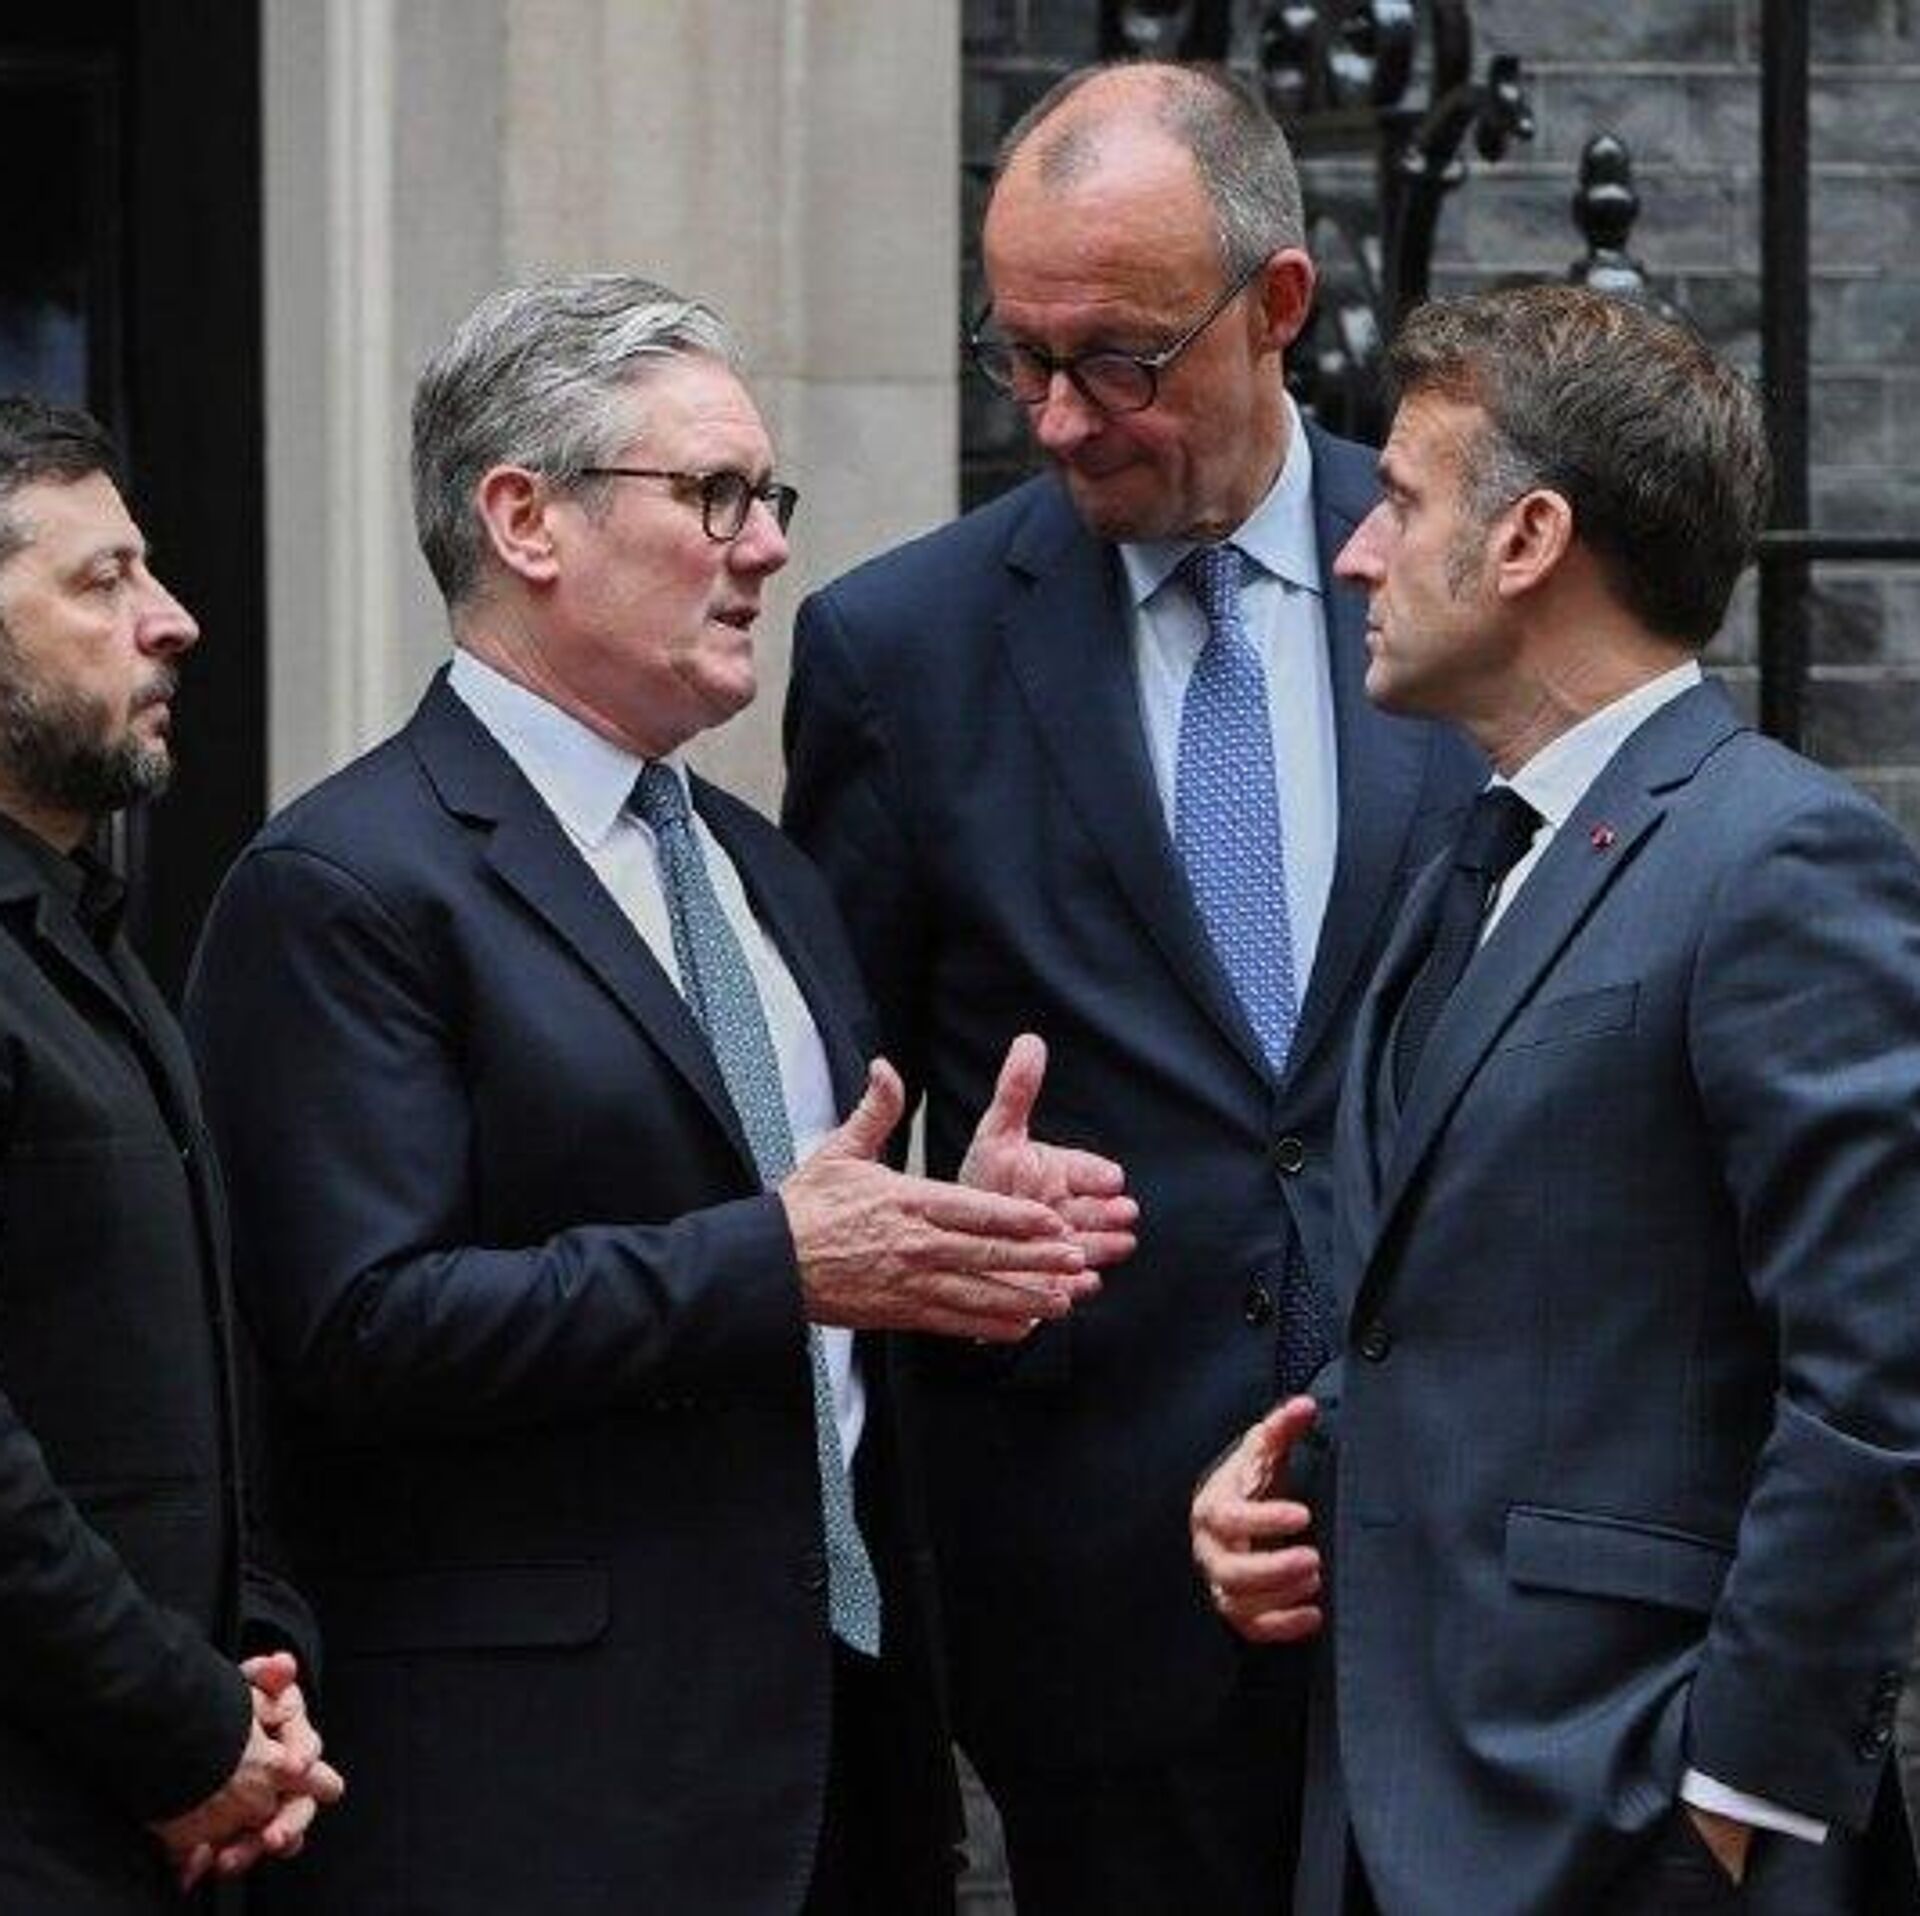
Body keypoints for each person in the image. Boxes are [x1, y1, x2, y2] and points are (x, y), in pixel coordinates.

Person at [184, 273, 1134, 1915]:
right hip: (543, 1804)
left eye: (768, 498)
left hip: (843, 1772)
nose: (763, 548)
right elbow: (356, 1330)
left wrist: (947, 1248)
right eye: (711, 495)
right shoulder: (346, 885)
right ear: (524, 520)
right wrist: (783, 1257)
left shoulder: (767, 875)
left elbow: (811, 1287)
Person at [782, 58, 1482, 1913]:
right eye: (1019, 356)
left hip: (1457, 1560)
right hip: (1096, 1593)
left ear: (1277, 305)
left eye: (1115, 360)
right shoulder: (900, 651)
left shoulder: (1465, 579)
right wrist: (944, 1213)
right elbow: (830, 1130)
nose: (1057, 419)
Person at [1191, 284, 1920, 1915]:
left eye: (1400, 502)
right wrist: (1292, 1471)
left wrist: (1730, 1803)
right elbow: (1476, 1307)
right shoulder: (1472, 863)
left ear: (1526, 541)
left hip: (1633, 1824)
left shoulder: (1779, 860)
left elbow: (1878, 1378)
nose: (1356, 557)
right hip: (1396, 1809)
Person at [0, 397, 341, 1910]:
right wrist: (183, 1729)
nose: (173, 620)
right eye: (102, 580)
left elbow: (193, 1377)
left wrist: (261, 1668)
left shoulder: (94, 943)